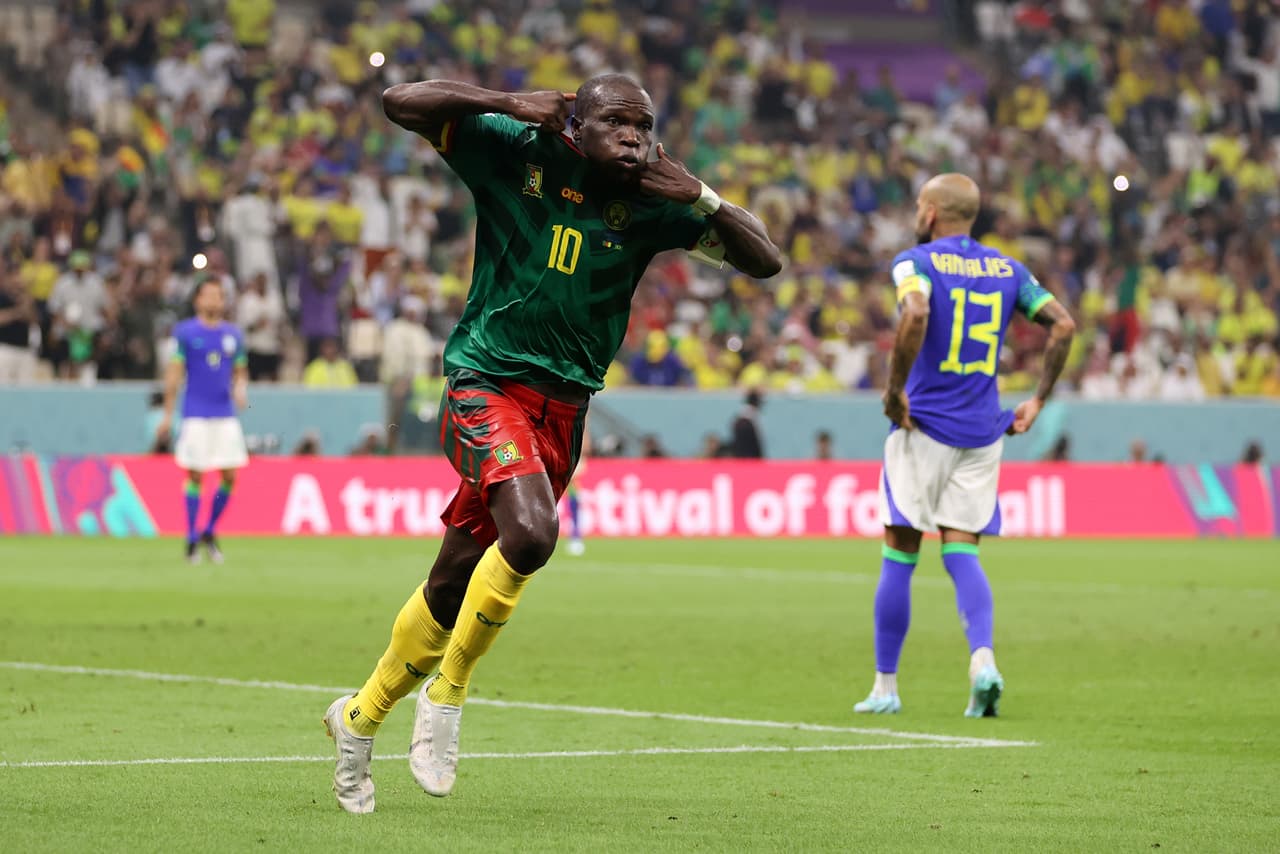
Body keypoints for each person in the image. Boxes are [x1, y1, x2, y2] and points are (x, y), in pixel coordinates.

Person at [323, 72, 782, 813]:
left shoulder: (654, 199)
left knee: (451, 583)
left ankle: (358, 718)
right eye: (618, 123)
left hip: (564, 412)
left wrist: (701, 195)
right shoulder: (517, 150)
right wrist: (503, 102)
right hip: (485, 382)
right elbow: (398, 101)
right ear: (576, 123)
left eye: (645, 126)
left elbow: (766, 260)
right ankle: (447, 698)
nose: (634, 137)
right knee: (534, 535)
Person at [853, 173, 1075, 719]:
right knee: (962, 551)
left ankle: (885, 687)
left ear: (930, 212)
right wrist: (1038, 400)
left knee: (900, 551)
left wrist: (894, 390)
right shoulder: (1009, 270)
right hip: (983, 432)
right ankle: (982, 663)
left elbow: (916, 312)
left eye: (918, 205)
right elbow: (1063, 326)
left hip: (923, 426)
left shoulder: (915, 263)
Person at [157, 277, 250, 565]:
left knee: (230, 475)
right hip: (195, 413)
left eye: (218, 295)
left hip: (224, 413)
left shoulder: (233, 335)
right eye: (208, 295)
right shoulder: (186, 333)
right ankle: (190, 538)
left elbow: (240, 370)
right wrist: (168, 414)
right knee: (196, 475)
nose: (213, 300)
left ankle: (208, 530)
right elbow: (174, 374)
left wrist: (240, 389)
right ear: (197, 300)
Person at [728, 389, 765, 458]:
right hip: (749, 457)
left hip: (740, 456)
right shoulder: (752, 418)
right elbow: (756, 441)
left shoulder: (739, 418)